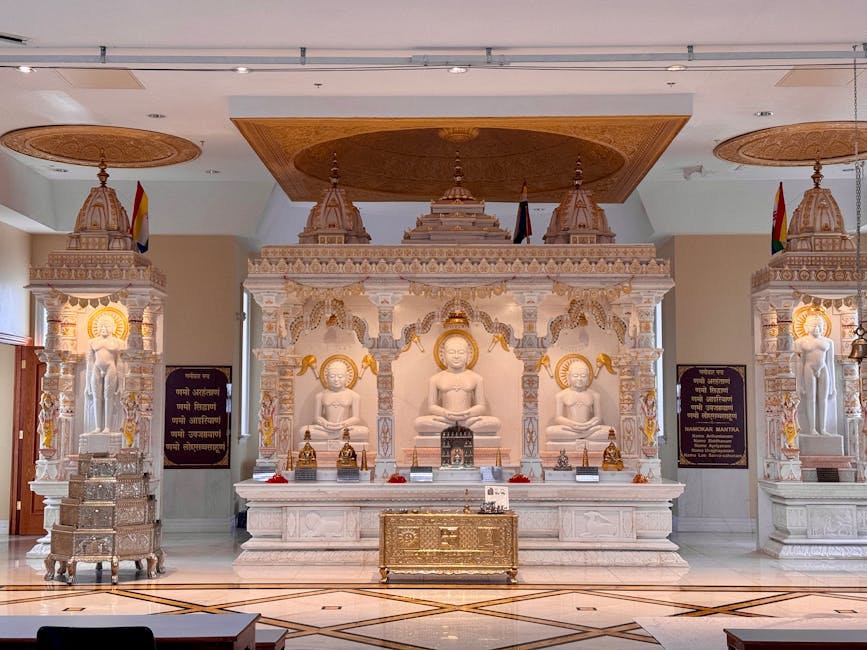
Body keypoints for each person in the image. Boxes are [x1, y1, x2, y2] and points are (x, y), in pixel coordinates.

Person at [414, 335, 500, 436]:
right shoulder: (435, 379)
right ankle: (458, 428)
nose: (456, 356)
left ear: (468, 355)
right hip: (445, 420)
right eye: (451, 352)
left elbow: (481, 406)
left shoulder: (477, 378)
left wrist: (467, 413)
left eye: (461, 352)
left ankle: (455, 428)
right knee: (419, 423)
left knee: (495, 423)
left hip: (468, 420)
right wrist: (445, 413)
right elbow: (432, 406)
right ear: (444, 355)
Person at [546, 361, 610, 445]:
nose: (579, 379)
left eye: (583, 376)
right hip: (570, 428)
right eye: (575, 376)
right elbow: (558, 417)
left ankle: (579, 435)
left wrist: (588, 425)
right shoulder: (561, 395)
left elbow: (598, 417)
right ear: (568, 376)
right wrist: (574, 425)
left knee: (611, 431)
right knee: (550, 431)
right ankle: (583, 435)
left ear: (588, 377)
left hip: (589, 428)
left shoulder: (594, 395)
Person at [305, 359, 369, 443]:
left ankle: (332, 436)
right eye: (332, 376)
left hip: (345, 429)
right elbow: (316, 418)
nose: (336, 379)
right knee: (304, 430)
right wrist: (325, 424)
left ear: (347, 376)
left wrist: (342, 425)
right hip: (326, 428)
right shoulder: (320, 396)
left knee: (364, 431)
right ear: (327, 377)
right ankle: (336, 436)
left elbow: (356, 418)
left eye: (340, 376)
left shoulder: (354, 395)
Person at [794, 314, 838, 436]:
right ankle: (812, 428)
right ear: (806, 326)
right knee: (811, 398)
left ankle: (823, 428)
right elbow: (800, 363)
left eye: (820, 325)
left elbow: (830, 363)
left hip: (823, 368)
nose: (817, 328)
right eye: (814, 325)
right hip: (809, 368)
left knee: (823, 399)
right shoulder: (800, 342)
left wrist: (833, 386)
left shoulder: (828, 341)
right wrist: (799, 383)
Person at [85, 316, 125, 432]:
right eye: (101, 326)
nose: (104, 328)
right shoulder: (93, 342)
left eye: (107, 326)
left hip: (111, 368)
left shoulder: (118, 343)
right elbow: (89, 362)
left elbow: (120, 363)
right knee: (96, 397)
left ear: (112, 328)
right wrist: (87, 384)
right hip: (96, 368)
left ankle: (107, 426)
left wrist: (121, 383)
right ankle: (98, 426)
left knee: (109, 396)